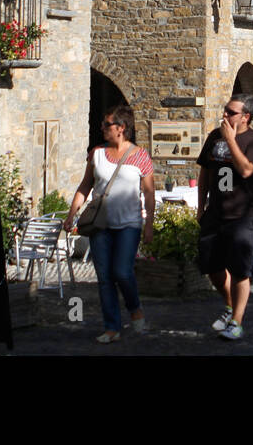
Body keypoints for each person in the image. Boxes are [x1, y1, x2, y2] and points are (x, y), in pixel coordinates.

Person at [65, 105, 155, 344]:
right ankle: (112, 327)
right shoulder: (96, 153)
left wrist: (149, 225)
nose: (102, 128)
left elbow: (149, 193)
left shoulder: (141, 156)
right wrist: (71, 214)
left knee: (122, 272)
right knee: (104, 277)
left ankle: (134, 307)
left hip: (129, 224)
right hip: (100, 225)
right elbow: (85, 185)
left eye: (107, 124)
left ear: (121, 128)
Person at [196, 94, 253, 341]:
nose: (225, 115)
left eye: (231, 112)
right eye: (225, 110)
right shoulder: (214, 136)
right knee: (212, 268)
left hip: (242, 214)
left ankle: (237, 321)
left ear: (245, 117)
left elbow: (247, 169)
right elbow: (204, 170)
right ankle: (229, 305)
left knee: (239, 270)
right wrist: (200, 206)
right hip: (215, 212)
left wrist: (231, 140)